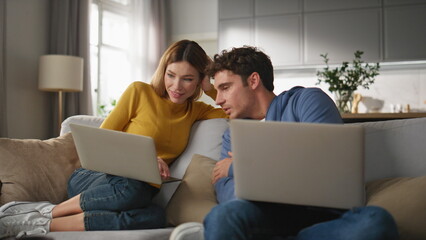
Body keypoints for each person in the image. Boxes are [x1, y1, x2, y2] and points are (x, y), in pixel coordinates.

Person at [0, 40, 228, 239]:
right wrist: (148, 160)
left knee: (155, 216)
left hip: (139, 191)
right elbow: (100, 142)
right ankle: (49, 211)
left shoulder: (196, 110)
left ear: (199, 81)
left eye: (188, 79)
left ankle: (41, 223)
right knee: (132, 188)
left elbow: (230, 110)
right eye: (171, 75)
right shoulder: (140, 92)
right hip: (95, 178)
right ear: (163, 71)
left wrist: (210, 84)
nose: (177, 86)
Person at [171, 46, 399, 240]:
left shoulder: (306, 101)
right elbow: (226, 191)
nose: (219, 99)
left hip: (325, 217)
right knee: (222, 216)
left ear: (253, 80)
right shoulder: (233, 134)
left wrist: (239, 166)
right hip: (265, 217)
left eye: (225, 87)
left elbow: (326, 162)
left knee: (375, 221)